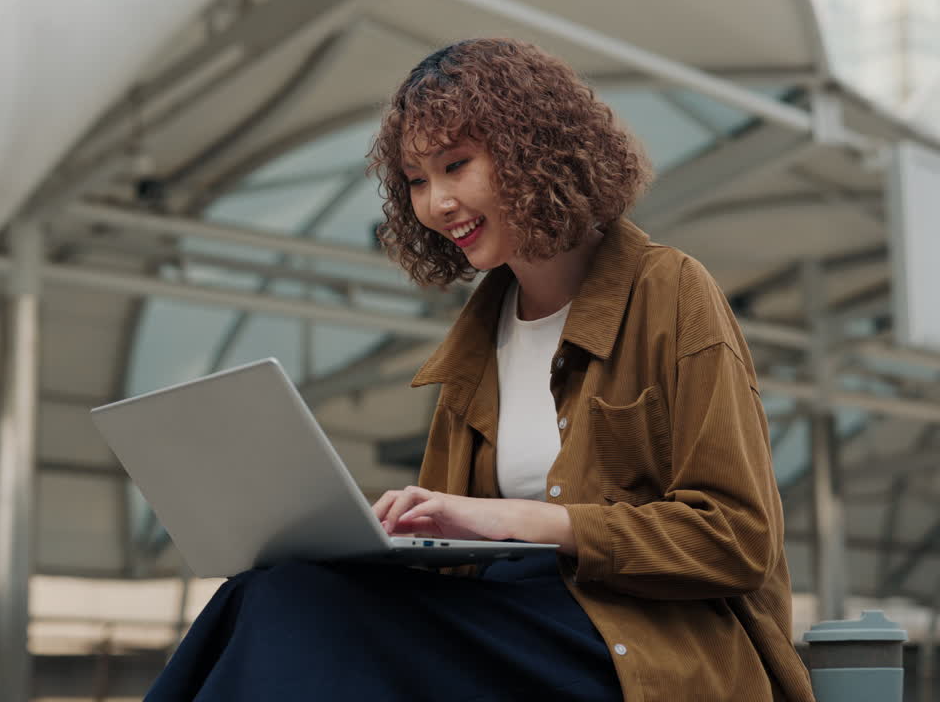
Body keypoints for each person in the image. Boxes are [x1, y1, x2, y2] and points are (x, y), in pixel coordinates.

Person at [146, 39, 815, 702]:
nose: (436, 203)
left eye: (455, 165)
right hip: (509, 627)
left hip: (641, 642)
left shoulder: (669, 290)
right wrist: (394, 541)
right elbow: (459, 562)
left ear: (536, 151)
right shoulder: (477, 338)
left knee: (300, 612)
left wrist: (518, 520)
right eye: (415, 180)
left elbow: (737, 539)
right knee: (271, 592)